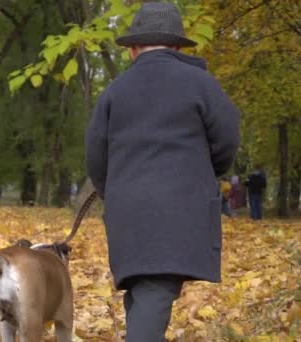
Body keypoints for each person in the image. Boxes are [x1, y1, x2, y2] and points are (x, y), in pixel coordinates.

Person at [85, 2, 240, 341]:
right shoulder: (202, 84)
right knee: (153, 291)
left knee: (144, 289)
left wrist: (118, 192)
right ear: (175, 47)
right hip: (180, 209)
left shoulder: (114, 91)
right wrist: (200, 172)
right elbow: (228, 139)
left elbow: (96, 157)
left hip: (127, 210)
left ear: (133, 50)